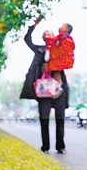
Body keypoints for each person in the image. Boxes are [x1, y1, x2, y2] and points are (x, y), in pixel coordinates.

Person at [20, 19, 70, 154]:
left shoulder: (60, 47)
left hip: (58, 88)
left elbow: (68, 58)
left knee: (60, 118)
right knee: (44, 118)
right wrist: (33, 26)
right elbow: (27, 39)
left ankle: (61, 146)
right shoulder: (39, 49)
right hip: (43, 89)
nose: (47, 33)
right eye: (44, 32)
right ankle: (45, 146)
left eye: (49, 32)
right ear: (42, 37)